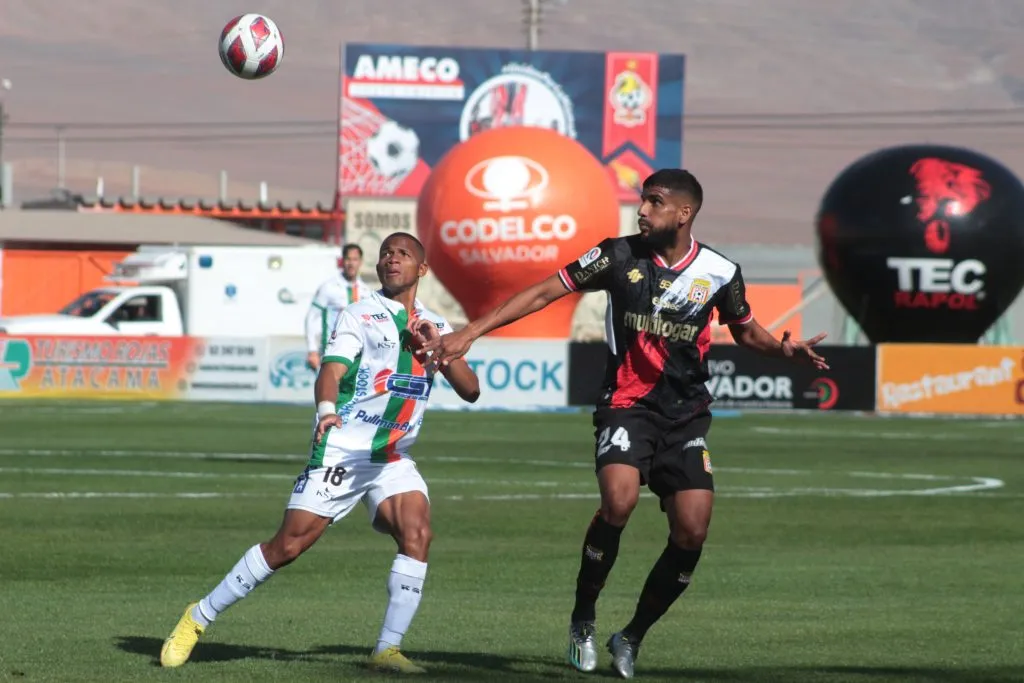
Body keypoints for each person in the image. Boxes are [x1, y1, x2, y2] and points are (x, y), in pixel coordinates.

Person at [419, 169, 829, 680]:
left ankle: (630, 636)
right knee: (619, 501)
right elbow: (546, 292)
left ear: (683, 213)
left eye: (654, 203)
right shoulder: (617, 255)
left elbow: (745, 331)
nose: (642, 210)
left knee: (692, 530)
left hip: (686, 417)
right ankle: (583, 620)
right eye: (642, 201)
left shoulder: (721, 271)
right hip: (626, 405)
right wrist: (471, 332)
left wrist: (784, 349)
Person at [160, 232, 481, 674]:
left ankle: (386, 650)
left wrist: (436, 349)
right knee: (287, 547)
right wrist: (326, 411)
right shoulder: (359, 314)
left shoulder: (436, 325)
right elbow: (331, 370)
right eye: (386, 253)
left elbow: (471, 390)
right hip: (344, 451)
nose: (391, 259)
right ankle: (198, 617)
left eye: (402, 254)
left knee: (417, 533)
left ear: (421, 269)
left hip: (391, 457)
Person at [305, 243, 374, 372]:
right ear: (342, 261)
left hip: (358, 354)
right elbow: (312, 317)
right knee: (329, 392)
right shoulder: (328, 287)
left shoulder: (366, 291)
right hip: (331, 352)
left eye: (355, 259)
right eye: (348, 259)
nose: (351, 263)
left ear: (360, 262)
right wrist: (312, 349)